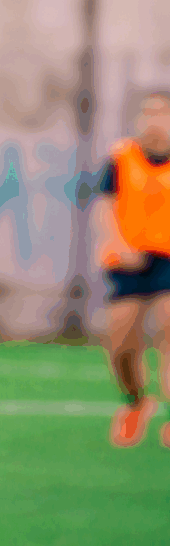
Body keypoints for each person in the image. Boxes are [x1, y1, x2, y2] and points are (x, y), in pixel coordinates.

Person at [94, 91, 170, 448]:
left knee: (168, 326)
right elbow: (105, 205)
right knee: (120, 341)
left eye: (162, 113)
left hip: (167, 257)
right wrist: (117, 245)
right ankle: (136, 402)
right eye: (149, 113)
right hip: (129, 259)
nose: (154, 120)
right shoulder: (121, 157)